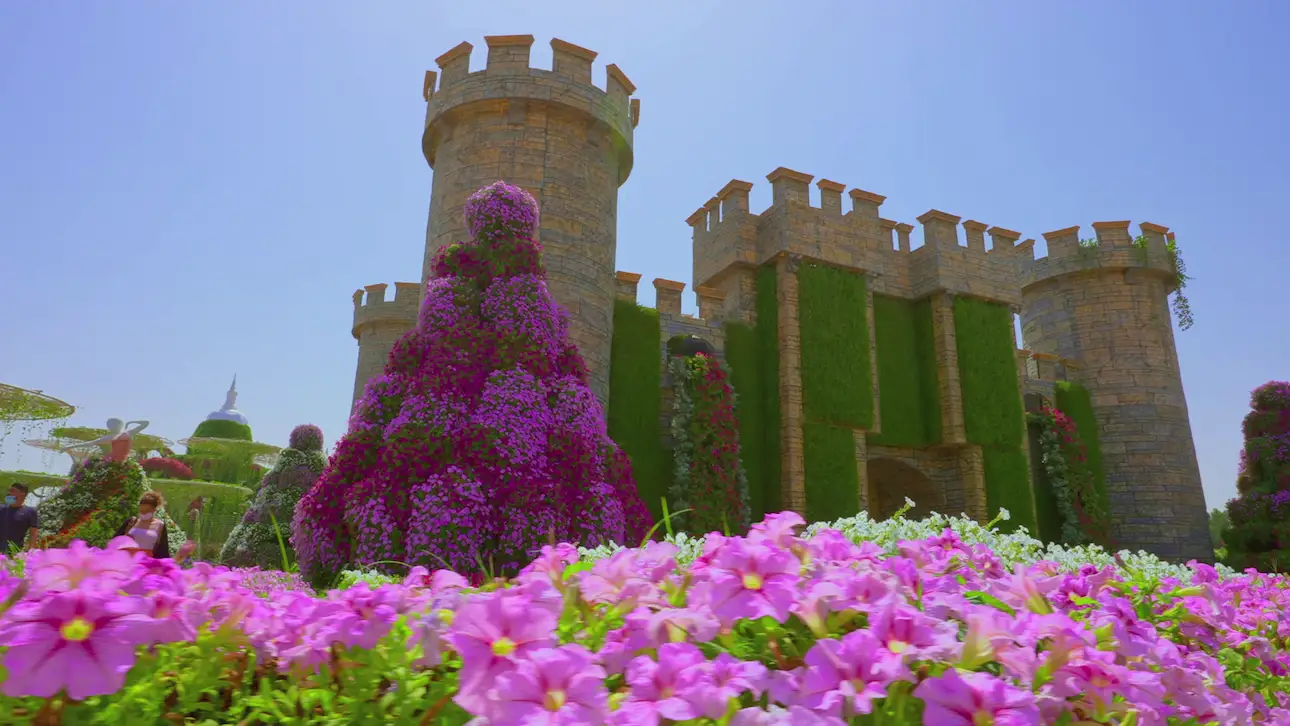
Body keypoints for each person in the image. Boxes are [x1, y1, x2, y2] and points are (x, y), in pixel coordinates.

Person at [113, 491, 196, 562]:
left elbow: (163, 551)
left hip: (147, 563)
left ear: (154, 510)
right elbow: (115, 542)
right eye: (141, 510)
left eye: (147, 511)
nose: (144, 513)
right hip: (127, 561)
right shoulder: (131, 522)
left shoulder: (160, 526)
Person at [63, 418, 151, 464]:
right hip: (112, 462)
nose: (110, 426)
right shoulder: (111, 437)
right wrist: (69, 446)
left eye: (112, 424)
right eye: (109, 425)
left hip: (121, 462)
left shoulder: (127, 433)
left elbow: (146, 423)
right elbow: (90, 443)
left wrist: (131, 422)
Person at [0, 484, 39, 555]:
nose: (9, 493)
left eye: (12, 491)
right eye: (9, 490)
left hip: (14, 552)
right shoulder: (1, 508)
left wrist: (31, 552)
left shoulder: (30, 512)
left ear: (22, 494)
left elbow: (33, 533)